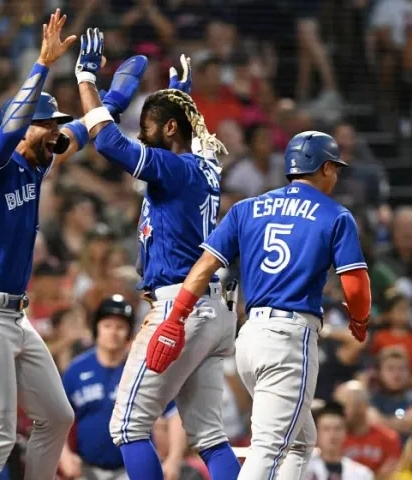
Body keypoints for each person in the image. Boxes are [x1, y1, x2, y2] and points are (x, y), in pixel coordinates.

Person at [0, 11, 145, 480]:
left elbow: (91, 127)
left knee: (57, 416)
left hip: (11, 316)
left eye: (55, 123)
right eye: (45, 123)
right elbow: (9, 128)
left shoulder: (37, 163)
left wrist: (108, 88)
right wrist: (42, 64)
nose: (55, 130)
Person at [148, 130, 371, 478]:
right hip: (289, 339)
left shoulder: (246, 208)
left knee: (300, 439)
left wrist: (176, 317)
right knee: (268, 447)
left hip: (250, 340)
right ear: (325, 167)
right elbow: (355, 287)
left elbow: (204, 266)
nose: (337, 175)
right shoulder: (335, 214)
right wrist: (359, 321)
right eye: (335, 167)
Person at [74, 28, 242, 480]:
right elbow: (190, 133)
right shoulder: (203, 165)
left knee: (127, 426)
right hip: (212, 308)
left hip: (178, 305)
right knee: (209, 436)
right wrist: (178, 97)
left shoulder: (174, 166)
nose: (140, 132)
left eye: (149, 123)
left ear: (170, 129)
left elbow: (108, 143)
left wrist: (86, 80)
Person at [59, 295, 185, 480]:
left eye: (120, 327)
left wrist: (174, 459)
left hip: (131, 471)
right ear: (96, 329)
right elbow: (56, 417)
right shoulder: (76, 370)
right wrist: (64, 455)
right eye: (107, 326)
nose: (113, 332)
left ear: (129, 333)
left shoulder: (144, 370)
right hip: (85, 470)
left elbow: (174, 414)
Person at [304, 401, 373, 480]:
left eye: (338, 429)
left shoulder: (362, 474)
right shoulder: (303, 464)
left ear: (345, 432)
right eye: (326, 429)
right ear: (317, 432)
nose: (332, 435)